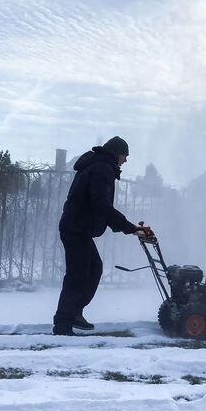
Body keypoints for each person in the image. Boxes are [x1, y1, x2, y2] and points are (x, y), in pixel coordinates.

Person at [53, 136, 147, 335]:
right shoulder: (102, 169)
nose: (126, 160)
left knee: (93, 269)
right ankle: (63, 324)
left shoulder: (98, 165)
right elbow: (102, 206)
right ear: (116, 153)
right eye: (125, 155)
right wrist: (131, 228)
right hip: (76, 229)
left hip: (78, 229)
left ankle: (74, 314)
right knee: (77, 276)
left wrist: (128, 227)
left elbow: (100, 206)